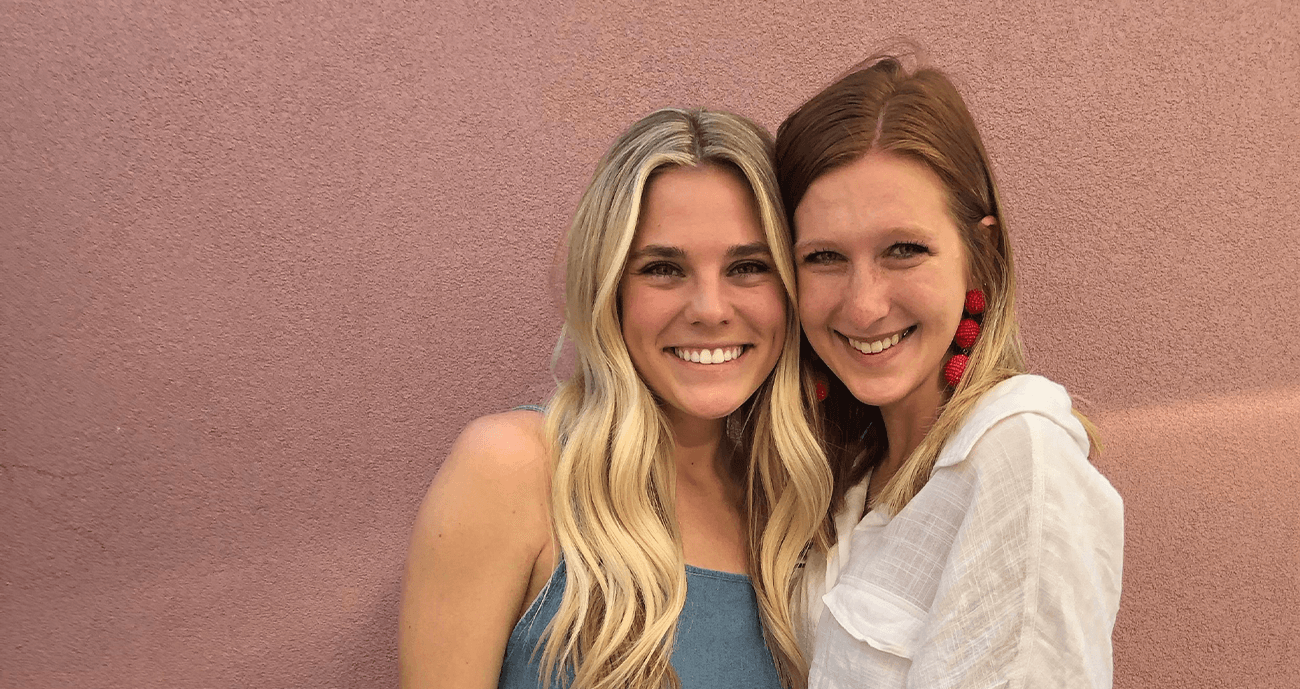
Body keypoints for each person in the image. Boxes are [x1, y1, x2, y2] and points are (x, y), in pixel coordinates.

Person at [399, 108, 832, 689]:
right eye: (664, 268)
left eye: (748, 267)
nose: (710, 309)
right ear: (610, 290)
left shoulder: (790, 506)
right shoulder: (515, 468)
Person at [773, 55, 1125, 688]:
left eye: (904, 250)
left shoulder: (1017, 456)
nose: (863, 305)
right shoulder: (847, 471)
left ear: (979, 255)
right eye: (823, 257)